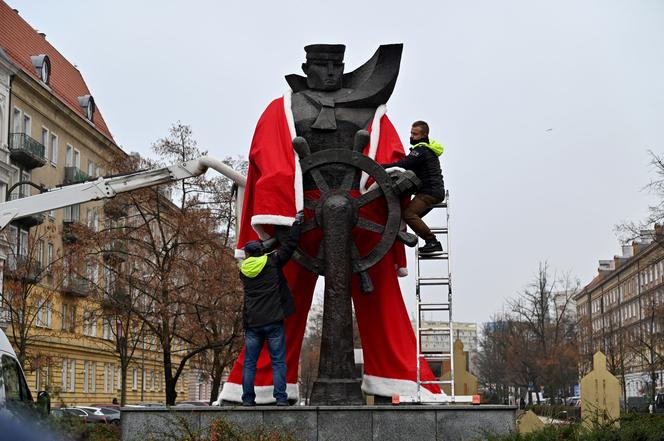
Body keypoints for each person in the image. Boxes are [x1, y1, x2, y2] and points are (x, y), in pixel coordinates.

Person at [220, 44, 443, 404]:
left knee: (382, 300)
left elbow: (388, 154)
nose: (329, 72)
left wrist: (396, 178)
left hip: (361, 217)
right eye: (322, 65)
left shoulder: (371, 110)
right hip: (297, 218)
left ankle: (401, 382)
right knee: (279, 303)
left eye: (335, 65)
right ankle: (261, 388)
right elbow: (267, 151)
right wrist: (280, 208)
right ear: (307, 67)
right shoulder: (285, 108)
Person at [240, 212, 303, 406]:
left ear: (247, 255)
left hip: (253, 323)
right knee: (278, 361)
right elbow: (289, 247)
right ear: (261, 252)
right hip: (274, 321)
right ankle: (281, 399)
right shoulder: (272, 262)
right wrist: (296, 224)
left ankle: (248, 399)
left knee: (250, 363)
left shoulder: (243, 271)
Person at [382, 120, 445, 255]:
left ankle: (432, 242)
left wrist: (380, 167)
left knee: (409, 214)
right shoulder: (426, 149)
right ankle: (428, 241)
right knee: (410, 218)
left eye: (415, 134)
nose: (411, 136)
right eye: (411, 133)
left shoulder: (420, 150)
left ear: (423, 135)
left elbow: (404, 164)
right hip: (433, 191)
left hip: (429, 193)